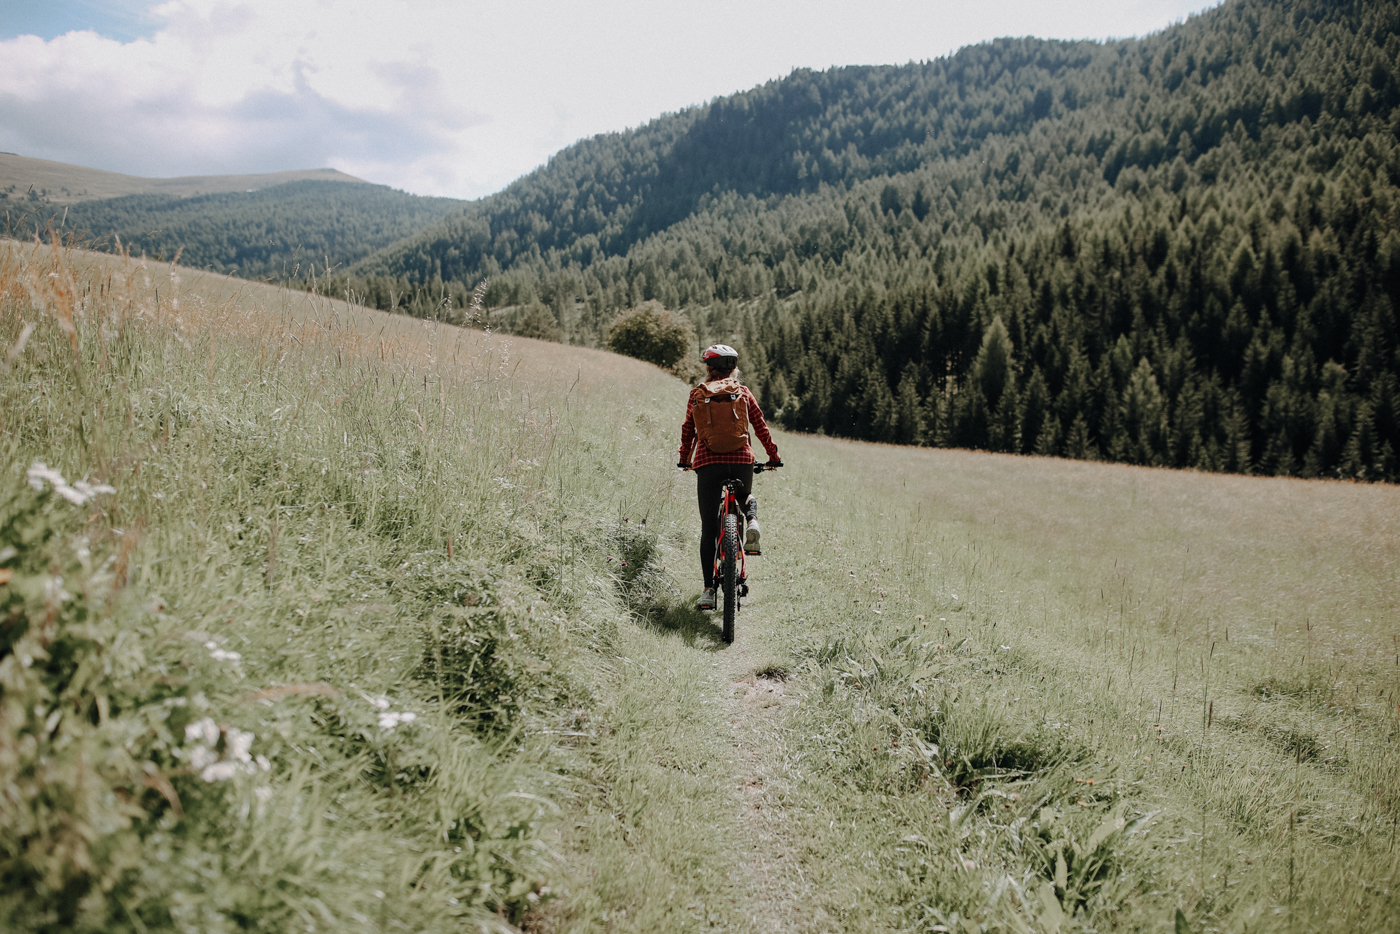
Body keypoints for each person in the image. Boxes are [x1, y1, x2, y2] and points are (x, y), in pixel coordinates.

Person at [676, 343, 781, 611]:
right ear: (734, 368)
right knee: (744, 496)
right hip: (741, 458)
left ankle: (708, 591)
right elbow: (760, 427)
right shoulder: (743, 392)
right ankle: (752, 519)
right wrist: (773, 457)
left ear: (709, 368)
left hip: (708, 463)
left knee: (709, 529)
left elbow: (688, 431)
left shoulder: (697, 394)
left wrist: (685, 459)